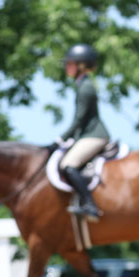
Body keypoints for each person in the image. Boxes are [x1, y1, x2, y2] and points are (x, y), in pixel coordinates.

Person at [56, 43, 109, 222]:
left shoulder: (85, 87)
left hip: (94, 135)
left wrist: (60, 139)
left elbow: (79, 119)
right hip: (87, 134)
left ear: (81, 65)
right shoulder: (82, 84)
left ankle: (90, 205)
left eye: (69, 63)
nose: (66, 66)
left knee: (67, 165)